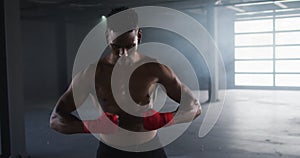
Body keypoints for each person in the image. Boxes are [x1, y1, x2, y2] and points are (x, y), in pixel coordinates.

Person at [49, 7, 202, 158]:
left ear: (139, 36)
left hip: (150, 149)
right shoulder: (92, 74)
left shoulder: (154, 69)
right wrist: (91, 126)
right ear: (107, 37)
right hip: (111, 151)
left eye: (130, 46)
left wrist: (165, 120)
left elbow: (194, 107)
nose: (123, 54)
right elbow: (56, 119)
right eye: (116, 47)